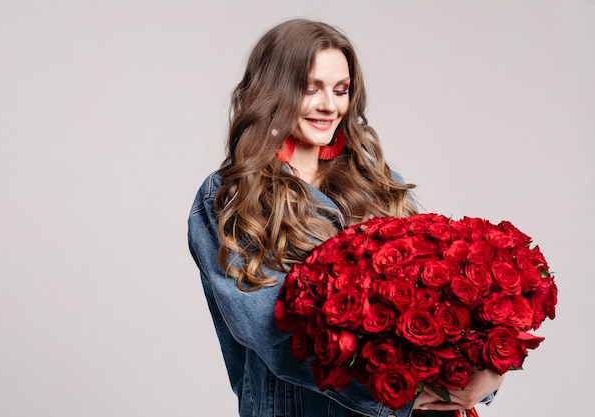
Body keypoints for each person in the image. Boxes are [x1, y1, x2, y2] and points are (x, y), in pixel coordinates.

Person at [188, 18, 504, 417]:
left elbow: (433, 303)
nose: (330, 105)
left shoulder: (376, 181)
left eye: (341, 90)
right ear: (274, 91)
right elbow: (274, 339)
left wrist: (481, 371)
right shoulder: (231, 197)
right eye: (310, 89)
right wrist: (398, 396)